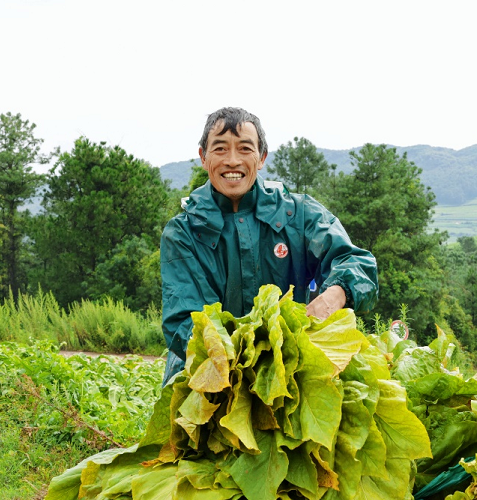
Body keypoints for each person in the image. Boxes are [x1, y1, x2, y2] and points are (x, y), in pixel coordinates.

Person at [160, 107, 378, 383]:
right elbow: (184, 325)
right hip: (209, 372)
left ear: (261, 157)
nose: (232, 160)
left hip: (289, 367)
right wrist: (245, 362)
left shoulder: (298, 214)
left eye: (244, 148)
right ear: (203, 157)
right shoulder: (183, 232)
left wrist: (335, 293)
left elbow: (357, 263)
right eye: (220, 149)